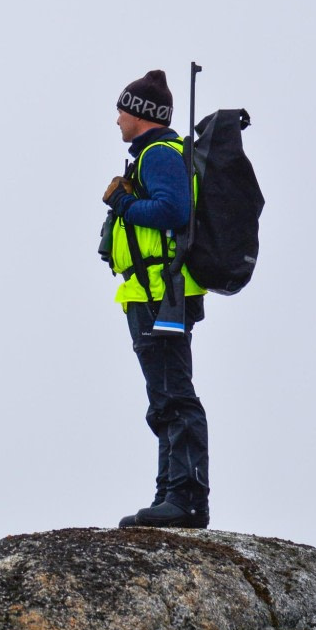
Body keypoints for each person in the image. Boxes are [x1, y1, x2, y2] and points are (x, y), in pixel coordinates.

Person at [100, 69, 210, 529]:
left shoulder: (159, 155)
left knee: (173, 395)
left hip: (160, 292)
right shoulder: (156, 154)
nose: (117, 120)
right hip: (153, 291)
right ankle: (171, 494)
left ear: (141, 114)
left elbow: (173, 210)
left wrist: (123, 204)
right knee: (164, 394)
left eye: (122, 110)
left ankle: (185, 498)